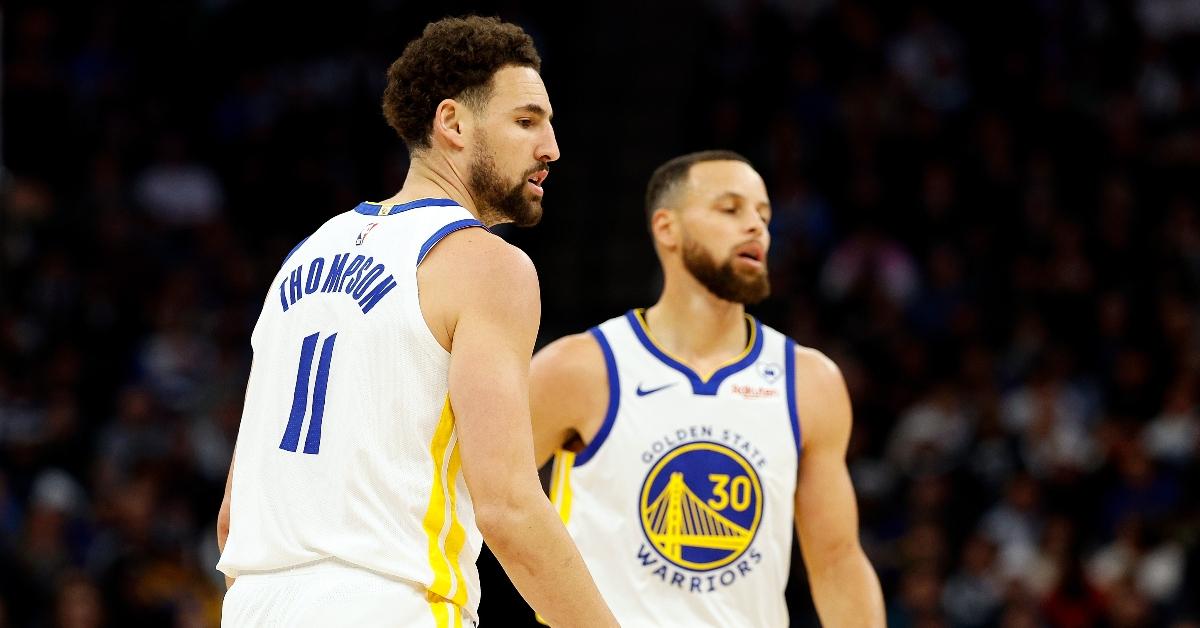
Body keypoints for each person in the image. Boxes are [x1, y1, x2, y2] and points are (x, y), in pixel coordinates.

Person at [215, 16, 617, 628]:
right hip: (389, 605)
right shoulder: (486, 265)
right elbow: (507, 506)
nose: (551, 148)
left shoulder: (306, 254)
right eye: (527, 120)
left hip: (253, 606)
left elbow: (231, 516)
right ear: (452, 123)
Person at [530, 150, 886, 626]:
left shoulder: (809, 381)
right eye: (730, 209)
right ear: (667, 229)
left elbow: (838, 562)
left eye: (763, 215)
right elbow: (486, 504)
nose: (756, 227)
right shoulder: (578, 368)